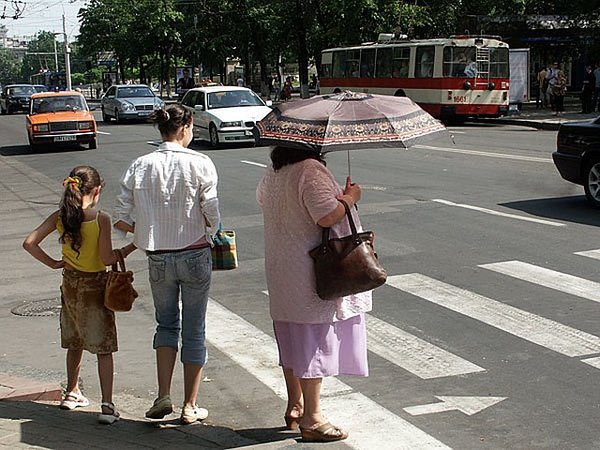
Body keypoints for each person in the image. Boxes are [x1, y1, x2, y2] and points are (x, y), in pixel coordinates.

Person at [113, 104, 220, 425]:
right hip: (195, 254)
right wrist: (210, 233)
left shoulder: (140, 165)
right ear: (186, 127)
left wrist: (145, 230)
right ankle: (190, 405)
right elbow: (211, 211)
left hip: (158, 257)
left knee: (166, 325)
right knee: (194, 328)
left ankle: (162, 396)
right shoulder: (201, 163)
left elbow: (121, 217)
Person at [256, 146, 371, 443]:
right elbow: (324, 216)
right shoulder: (309, 169)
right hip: (309, 268)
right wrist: (349, 199)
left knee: (292, 337)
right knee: (312, 341)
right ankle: (313, 417)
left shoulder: (275, 172)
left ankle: (295, 406)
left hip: (282, 264)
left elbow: (264, 202)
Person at [22, 166, 136, 425]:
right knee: (103, 347)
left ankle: (72, 393)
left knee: (74, 341)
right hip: (95, 286)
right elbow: (107, 258)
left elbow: (29, 242)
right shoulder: (100, 218)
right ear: (96, 191)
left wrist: (53, 263)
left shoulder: (60, 216)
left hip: (70, 284)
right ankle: (107, 407)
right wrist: (130, 247)